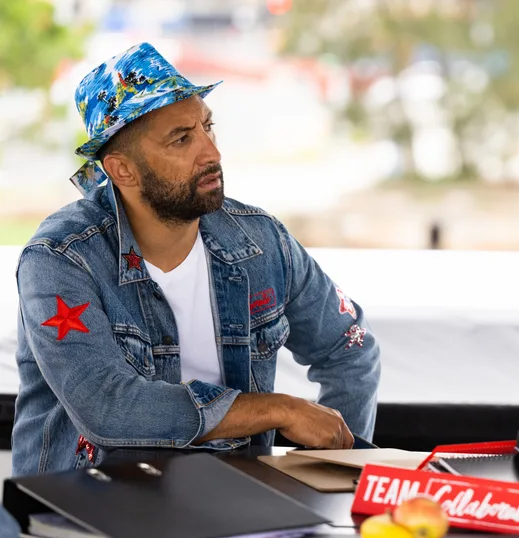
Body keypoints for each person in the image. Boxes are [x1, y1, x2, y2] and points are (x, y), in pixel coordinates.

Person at [12, 43, 380, 475]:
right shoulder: (60, 260)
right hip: (87, 504)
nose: (212, 153)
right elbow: (109, 407)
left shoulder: (260, 241)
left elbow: (349, 347)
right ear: (122, 170)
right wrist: (277, 409)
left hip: (235, 499)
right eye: (182, 138)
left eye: (208, 127)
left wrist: (334, 472)